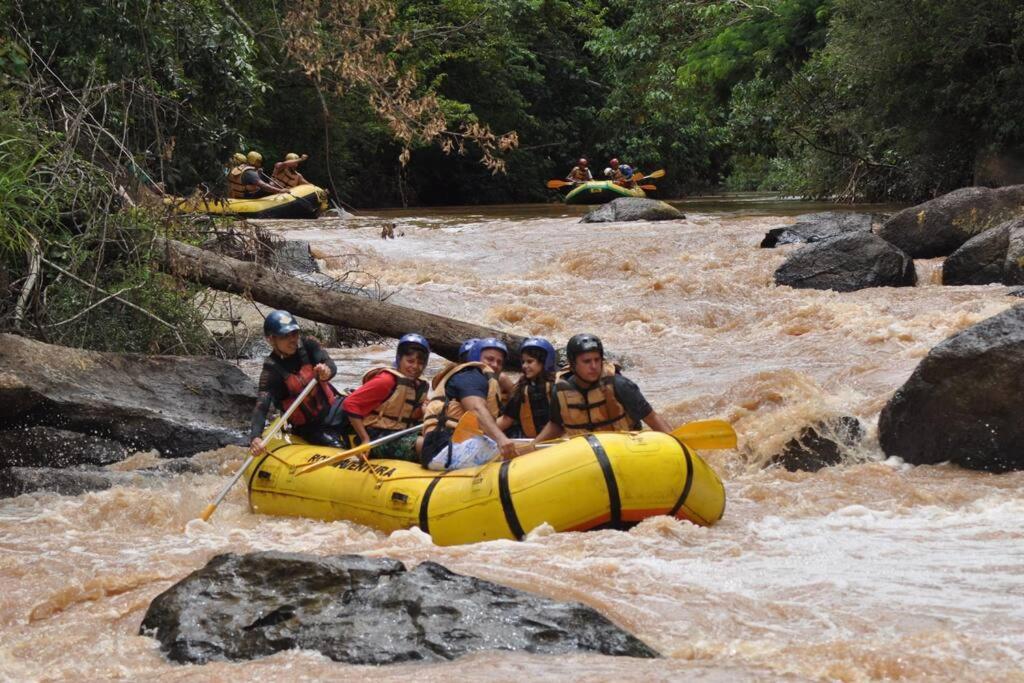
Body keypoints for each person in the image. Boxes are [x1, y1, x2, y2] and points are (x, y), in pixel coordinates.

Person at [531, 333, 673, 443]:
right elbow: (556, 425)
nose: (593, 366)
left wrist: (677, 445)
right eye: (587, 361)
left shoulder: (620, 385)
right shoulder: (561, 391)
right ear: (573, 365)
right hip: (587, 455)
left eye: (597, 360)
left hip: (626, 448)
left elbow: (652, 418)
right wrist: (532, 448)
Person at [249, 311, 345, 455]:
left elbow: (329, 363)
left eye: (294, 333)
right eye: (285, 336)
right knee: (336, 447)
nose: (292, 339)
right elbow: (261, 407)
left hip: (334, 408)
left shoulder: (309, 345)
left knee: (367, 414)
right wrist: (255, 437)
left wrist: (327, 371)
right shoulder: (271, 372)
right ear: (271, 339)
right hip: (311, 426)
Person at [416, 337, 516, 470]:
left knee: (520, 445)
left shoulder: (479, 379)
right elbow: (477, 409)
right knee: (519, 452)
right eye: (490, 359)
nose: (495, 365)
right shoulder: (469, 376)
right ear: (475, 357)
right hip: (443, 449)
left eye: (499, 362)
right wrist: (501, 439)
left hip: (454, 444)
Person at [340, 333, 430, 461]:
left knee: (439, 438)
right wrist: (365, 439)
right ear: (399, 359)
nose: (415, 367)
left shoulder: (419, 385)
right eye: (410, 361)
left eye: (420, 363)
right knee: (425, 445)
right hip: (376, 436)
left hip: (401, 432)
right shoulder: (386, 380)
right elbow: (350, 403)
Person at [497, 337, 557, 439]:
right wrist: (482, 430)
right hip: (532, 440)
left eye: (529, 361)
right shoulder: (521, 389)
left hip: (559, 439)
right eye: (523, 362)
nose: (524, 366)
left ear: (544, 362)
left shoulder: (557, 385)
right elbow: (506, 420)